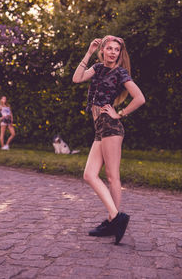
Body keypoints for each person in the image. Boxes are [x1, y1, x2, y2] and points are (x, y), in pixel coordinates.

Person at [72, 35, 145, 245]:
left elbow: (140, 98)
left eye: (116, 50)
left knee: (113, 177)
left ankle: (114, 219)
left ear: (119, 54)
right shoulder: (97, 67)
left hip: (110, 125)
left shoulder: (120, 72)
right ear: (102, 50)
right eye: (109, 48)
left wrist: (119, 113)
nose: (113, 52)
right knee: (89, 174)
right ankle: (114, 217)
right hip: (100, 128)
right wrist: (88, 52)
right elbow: (77, 78)